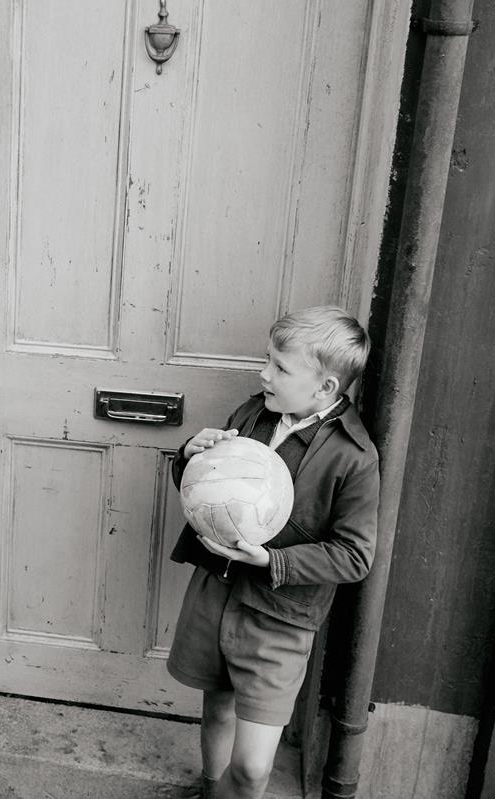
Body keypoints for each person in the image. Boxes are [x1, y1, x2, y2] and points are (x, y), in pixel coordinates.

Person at [166, 306, 379, 799]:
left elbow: (354, 556)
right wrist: (191, 457)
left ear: (325, 387)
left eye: (280, 368)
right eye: (268, 360)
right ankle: (207, 791)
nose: (264, 373)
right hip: (215, 593)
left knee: (253, 769)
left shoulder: (354, 456)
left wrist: (273, 562)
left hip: (280, 619)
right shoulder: (252, 413)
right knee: (216, 709)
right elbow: (206, 495)